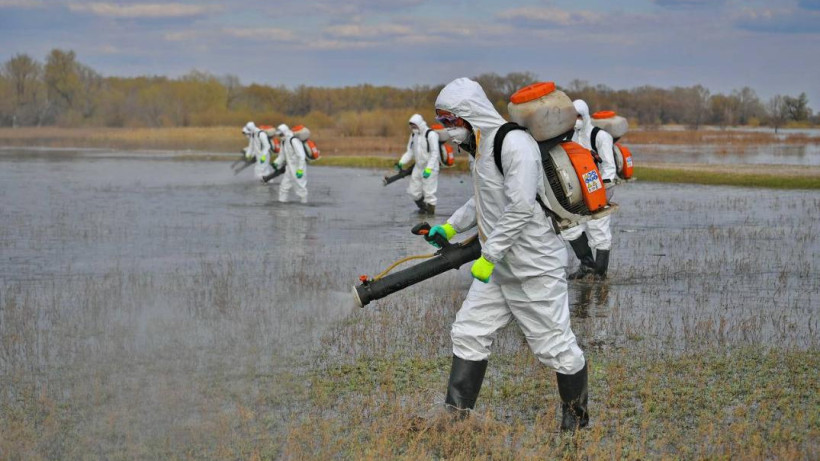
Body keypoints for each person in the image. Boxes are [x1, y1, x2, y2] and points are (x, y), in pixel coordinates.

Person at [427, 78, 589, 432]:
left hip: (533, 266)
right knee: (469, 331)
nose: (448, 131)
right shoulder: (483, 147)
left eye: (451, 121)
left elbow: (519, 207)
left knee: (556, 348)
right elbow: (484, 198)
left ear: (469, 114)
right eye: (443, 123)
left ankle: (576, 424)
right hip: (499, 269)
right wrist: (451, 228)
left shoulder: (513, 143)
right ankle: (456, 420)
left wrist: (489, 255)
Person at [564, 99, 616, 280]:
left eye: (579, 116)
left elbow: (609, 167)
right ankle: (586, 266)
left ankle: (600, 273)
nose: (576, 120)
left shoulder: (600, 137)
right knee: (570, 227)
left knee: (598, 229)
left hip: (598, 189)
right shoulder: (568, 136)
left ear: (585, 116)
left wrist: (600, 191)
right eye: (573, 116)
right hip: (576, 190)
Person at [396, 114, 440, 215]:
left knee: (429, 193)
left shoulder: (431, 134)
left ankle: (430, 216)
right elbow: (410, 152)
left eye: (414, 125)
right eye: (411, 126)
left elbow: (435, 153)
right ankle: (423, 209)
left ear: (419, 124)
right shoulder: (413, 136)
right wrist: (401, 162)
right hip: (418, 167)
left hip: (431, 167)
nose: (413, 128)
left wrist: (429, 169)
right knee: (413, 191)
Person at [272, 124, 308, 203]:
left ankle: (304, 205)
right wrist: (276, 163)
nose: (280, 136)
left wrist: (300, 170)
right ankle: (282, 204)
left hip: (298, 168)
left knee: (301, 188)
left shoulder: (293, 140)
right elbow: (282, 155)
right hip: (289, 168)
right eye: (279, 135)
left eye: (281, 134)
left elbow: (301, 156)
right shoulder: (284, 142)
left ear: (285, 132)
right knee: (283, 187)